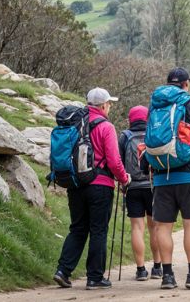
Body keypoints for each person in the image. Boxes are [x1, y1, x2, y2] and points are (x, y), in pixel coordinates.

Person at [143, 68, 190, 290]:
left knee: (163, 226)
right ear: (185, 84)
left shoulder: (154, 106)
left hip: (162, 174)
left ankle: (167, 276)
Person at [53, 88, 131, 290]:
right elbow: (114, 161)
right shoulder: (106, 126)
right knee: (98, 230)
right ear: (103, 105)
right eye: (109, 103)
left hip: (75, 183)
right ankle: (95, 278)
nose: (110, 107)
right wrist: (124, 179)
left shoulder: (75, 122)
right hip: (100, 186)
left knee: (78, 228)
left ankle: (63, 271)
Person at [118, 105, 162, 281]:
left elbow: (119, 161)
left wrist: (122, 183)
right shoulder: (154, 134)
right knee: (155, 228)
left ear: (131, 119)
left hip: (132, 187)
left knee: (137, 227)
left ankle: (141, 269)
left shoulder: (125, 136)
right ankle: (158, 267)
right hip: (153, 187)